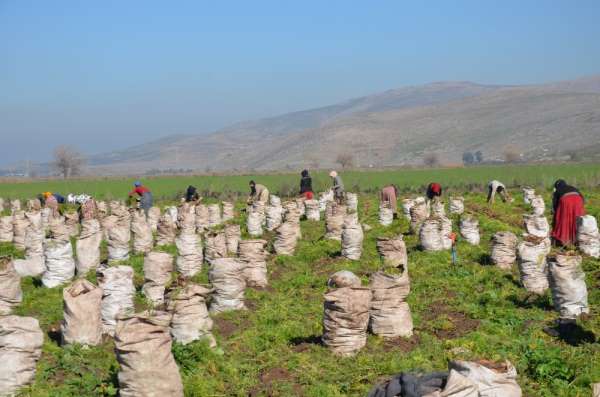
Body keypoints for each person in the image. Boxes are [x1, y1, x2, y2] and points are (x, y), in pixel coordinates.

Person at [551, 179, 585, 246]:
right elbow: (582, 198)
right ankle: (579, 239)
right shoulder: (573, 188)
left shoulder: (557, 190)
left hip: (566, 201)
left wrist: (556, 215)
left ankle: (564, 240)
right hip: (578, 200)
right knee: (577, 219)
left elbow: (555, 205)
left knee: (564, 220)